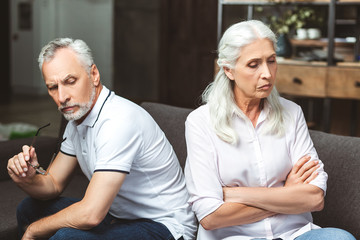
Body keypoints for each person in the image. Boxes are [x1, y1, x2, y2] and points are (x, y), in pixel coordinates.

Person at [7, 38, 197, 240]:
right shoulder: (76, 121)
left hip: (166, 225)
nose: (62, 97)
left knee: (66, 237)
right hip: (118, 216)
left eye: (70, 81)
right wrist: (26, 179)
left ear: (94, 75)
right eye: (53, 87)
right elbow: (53, 183)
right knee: (29, 209)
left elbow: (91, 214)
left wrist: (34, 231)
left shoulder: (119, 121)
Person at [184, 20, 356, 240]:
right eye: (254, 64)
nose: (267, 73)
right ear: (228, 70)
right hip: (236, 237)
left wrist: (236, 194)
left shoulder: (292, 113)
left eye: (271, 61)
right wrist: (287, 195)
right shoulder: (200, 122)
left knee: (340, 238)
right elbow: (210, 216)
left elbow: (314, 199)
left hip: (295, 234)